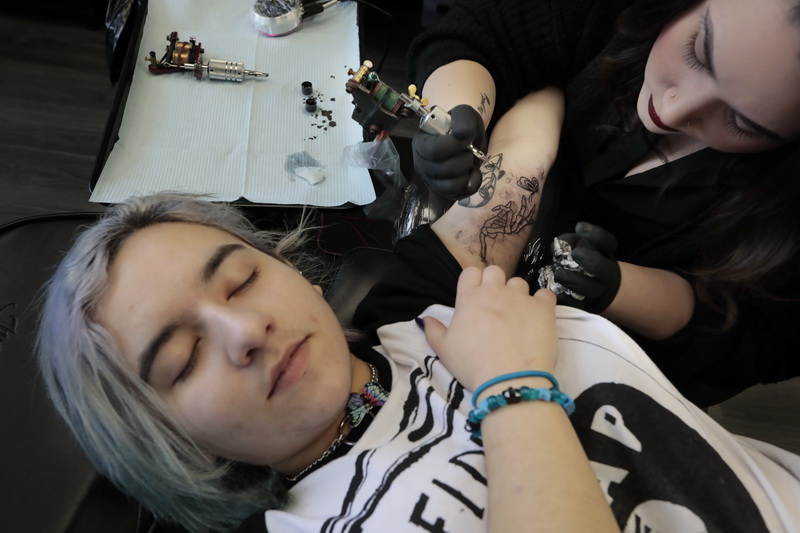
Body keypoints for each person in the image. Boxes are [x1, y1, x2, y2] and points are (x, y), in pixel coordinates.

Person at [37, 88, 800, 532]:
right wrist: (512, 388)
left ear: (295, 270)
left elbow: (528, 141)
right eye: (182, 359)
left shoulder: (411, 300)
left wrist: (466, 101)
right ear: (173, 443)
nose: (244, 330)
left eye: (239, 279)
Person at [406, 0, 800, 407]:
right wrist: (456, 113)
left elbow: (758, 342)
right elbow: (486, 31)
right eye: (698, 52)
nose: (673, 109)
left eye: (742, 122)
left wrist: (623, 288)